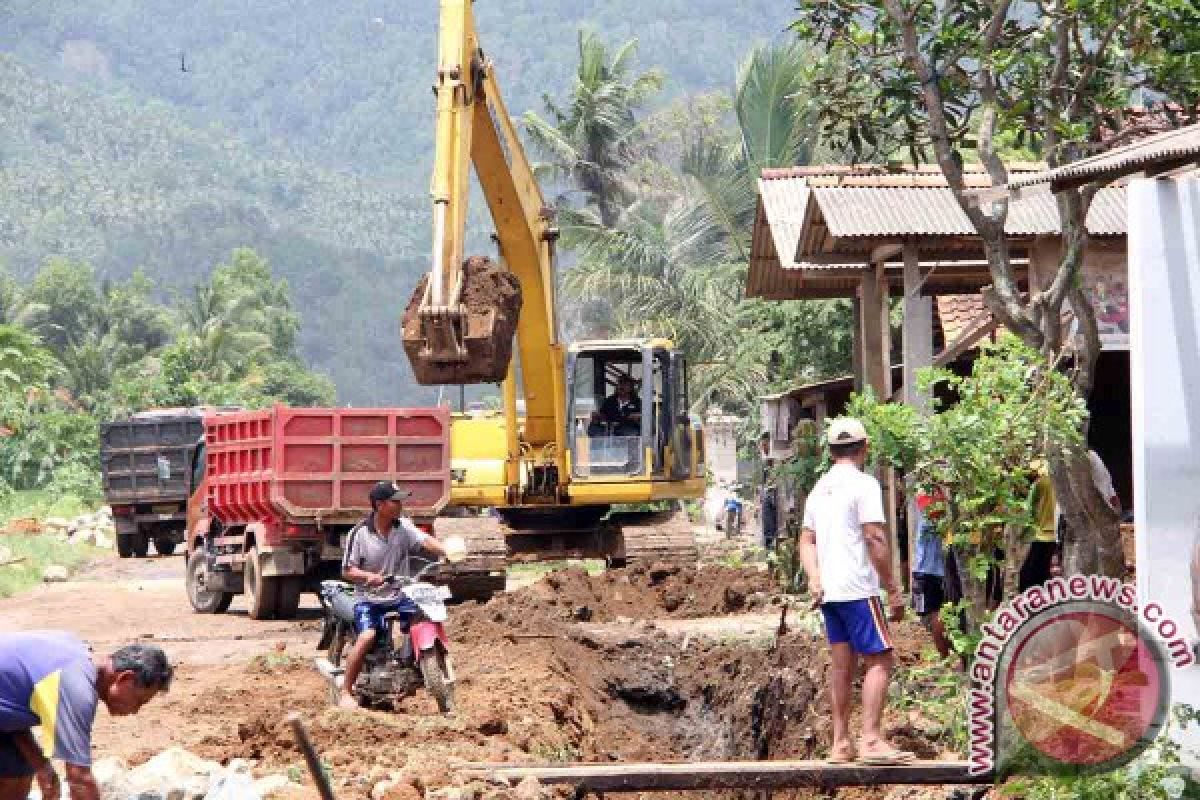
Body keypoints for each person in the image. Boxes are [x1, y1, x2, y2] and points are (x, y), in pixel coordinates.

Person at [798, 418, 913, 765]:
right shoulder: (864, 485)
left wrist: (814, 578)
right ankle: (872, 740)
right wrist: (892, 588)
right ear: (864, 448)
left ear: (831, 452)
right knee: (880, 658)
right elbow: (874, 537)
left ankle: (840, 743)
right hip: (859, 589)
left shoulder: (819, 489)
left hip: (830, 592)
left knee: (842, 665)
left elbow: (806, 540)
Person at [0, 635, 171, 800]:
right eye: (139, 701)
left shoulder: (77, 654)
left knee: (18, 772)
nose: (135, 711)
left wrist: (41, 765)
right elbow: (79, 781)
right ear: (125, 678)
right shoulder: (76, 688)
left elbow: (10, 703)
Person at [339, 480, 449, 709]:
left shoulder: (403, 527)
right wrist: (368, 577)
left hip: (399, 593)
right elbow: (347, 570)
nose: (400, 505)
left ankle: (418, 665)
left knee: (425, 616)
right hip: (368, 598)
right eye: (395, 501)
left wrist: (448, 551)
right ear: (379, 505)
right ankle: (346, 691)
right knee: (367, 636)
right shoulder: (358, 533)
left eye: (401, 500)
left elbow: (425, 541)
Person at [911, 491, 951, 659]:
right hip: (932, 569)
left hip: (930, 569)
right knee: (935, 614)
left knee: (935, 613)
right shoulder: (932, 512)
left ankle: (944, 657)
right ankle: (944, 656)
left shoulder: (930, 509)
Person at [759, 432, 779, 549]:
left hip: (776, 495)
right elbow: (765, 481)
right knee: (768, 528)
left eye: (765, 445)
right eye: (762, 445)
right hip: (769, 494)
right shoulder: (767, 461)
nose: (763, 448)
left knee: (773, 527)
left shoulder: (777, 460)